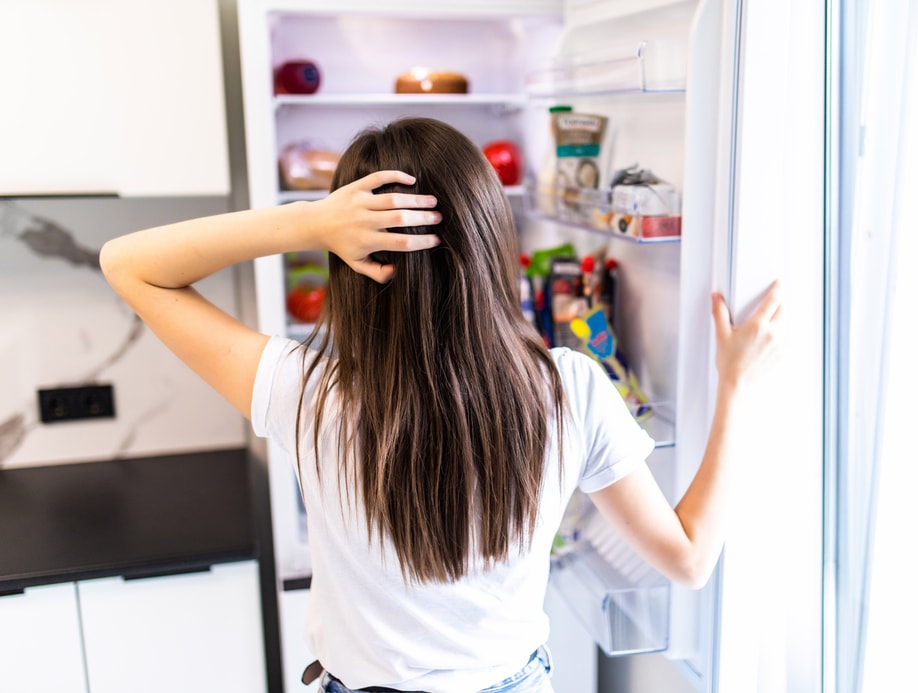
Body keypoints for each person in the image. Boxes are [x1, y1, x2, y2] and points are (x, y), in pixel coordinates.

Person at [100, 117, 781, 693]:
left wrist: (310, 221)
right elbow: (690, 559)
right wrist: (733, 389)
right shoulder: (568, 389)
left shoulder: (308, 395)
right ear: (490, 243)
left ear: (350, 262)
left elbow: (128, 262)